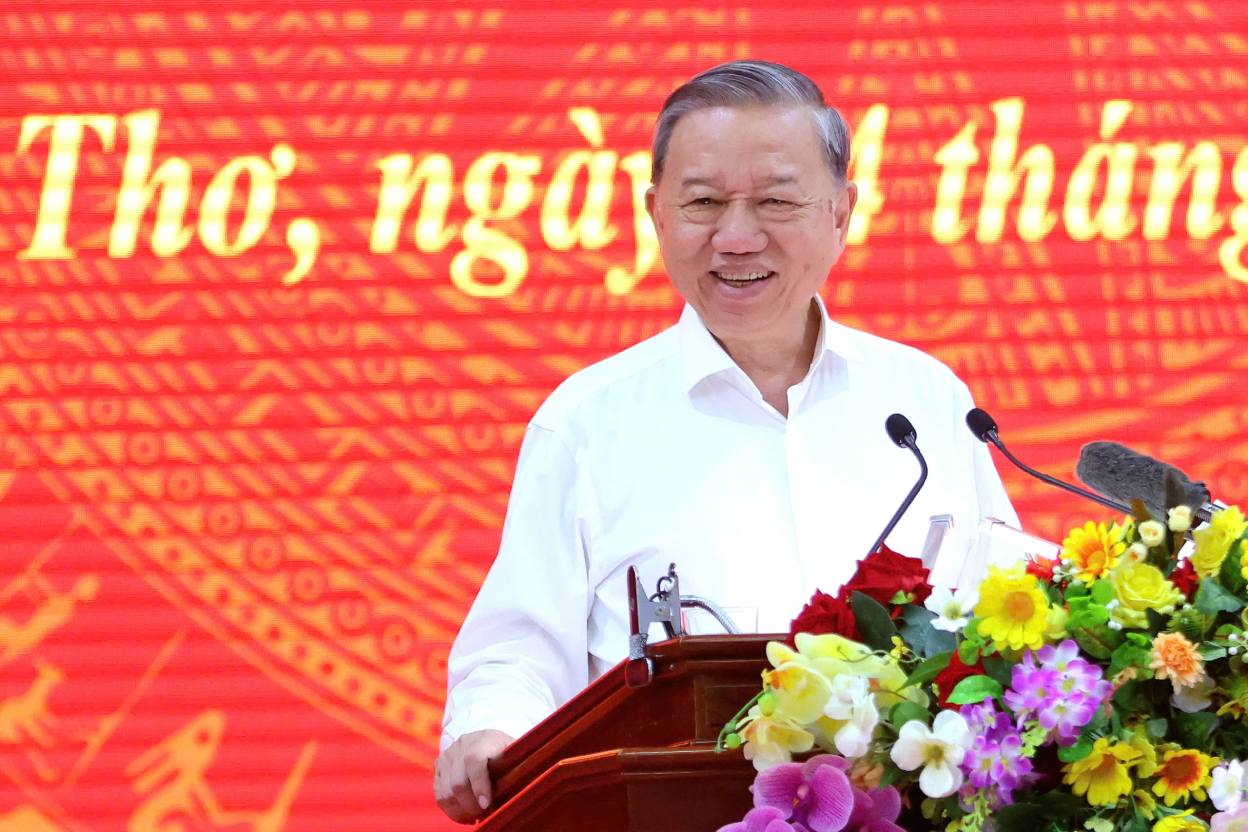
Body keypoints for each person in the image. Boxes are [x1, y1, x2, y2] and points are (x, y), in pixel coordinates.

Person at [433, 60, 1018, 823]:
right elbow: (519, 646)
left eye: (776, 201)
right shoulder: (586, 423)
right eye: (704, 203)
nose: (737, 238)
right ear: (657, 215)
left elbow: (1002, 598)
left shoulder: (926, 400)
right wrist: (486, 731)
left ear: (841, 212)